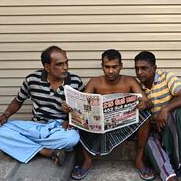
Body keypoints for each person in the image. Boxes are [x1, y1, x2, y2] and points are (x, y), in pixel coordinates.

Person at [64, 49, 154, 180]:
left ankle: (139, 160)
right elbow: (82, 105)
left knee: (146, 115)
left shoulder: (130, 81)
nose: (111, 71)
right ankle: (87, 161)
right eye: (107, 67)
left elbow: (148, 102)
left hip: (123, 125)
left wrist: (144, 104)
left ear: (121, 66)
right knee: (77, 119)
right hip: (99, 128)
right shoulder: (95, 82)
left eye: (114, 67)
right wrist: (70, 110)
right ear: (102, 66)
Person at [0, 46, 83, 165]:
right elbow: (18, 100)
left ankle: (19, 145)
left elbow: (82, 111)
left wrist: (70, 116)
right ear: (47, 67)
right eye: (59, 64)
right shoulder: (32, 80)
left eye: (66, 62)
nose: (65, 67)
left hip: (59, 128)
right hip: (35, 126)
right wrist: (4, 115)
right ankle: (46, 152)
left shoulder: (75, 81)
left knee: (72, 139)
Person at [134, 51, 181, 181]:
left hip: (176, 126)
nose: (139, 72)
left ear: (154, 68)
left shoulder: (166, 76)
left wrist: (165, 109)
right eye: (137, 68)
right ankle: (170, 176)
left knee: (178, 112)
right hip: (155, 130)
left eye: (144, 68)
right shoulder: (137, 87)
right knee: (149, 143)